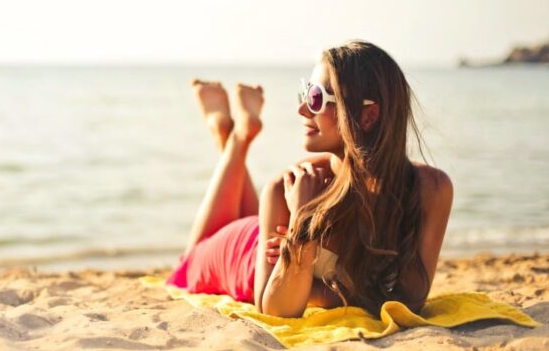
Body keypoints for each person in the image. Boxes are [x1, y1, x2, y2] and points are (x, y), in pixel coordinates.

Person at [166, 41, 454, 318]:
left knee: (236, 222)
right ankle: (236, 136)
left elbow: (411, 300)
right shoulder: (289, 187)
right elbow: (276, 309)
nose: (302, 109)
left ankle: (229, 132)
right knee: (186, 266)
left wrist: (308, 278)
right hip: (241, 255)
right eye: (306, 93)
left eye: (316, 98)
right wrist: (302, 221)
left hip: (274, 239)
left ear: (368, 116)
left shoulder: (431, 190)